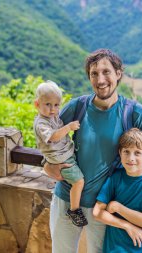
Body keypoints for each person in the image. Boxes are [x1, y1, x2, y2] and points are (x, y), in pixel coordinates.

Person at [44, 48, 142, 253]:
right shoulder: (77, 107)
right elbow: (47, 140)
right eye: (94, 74)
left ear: (118, 74)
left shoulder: (133, 112)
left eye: (106, 72)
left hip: (102, 206)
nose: (100, 80)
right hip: (67, 199)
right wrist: (47, 166)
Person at [93, 128, 142, 252]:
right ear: (120, 153)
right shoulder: (115, 177)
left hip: (141, 245)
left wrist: (117, 207)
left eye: (137, 153)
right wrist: (128, 226)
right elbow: (97, 213)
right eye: (126, 152)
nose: (131, 158)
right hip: (115, 247)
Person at [33, 81, 88, 227]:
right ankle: (74, 210)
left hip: (64, 155)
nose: (52, 109)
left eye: (56, 105)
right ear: (37, 104)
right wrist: (69, 127)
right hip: (62, 159)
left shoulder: (53, 117)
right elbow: (53, 136)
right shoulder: (41, 123)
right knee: (78, 181)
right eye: (48, 104)